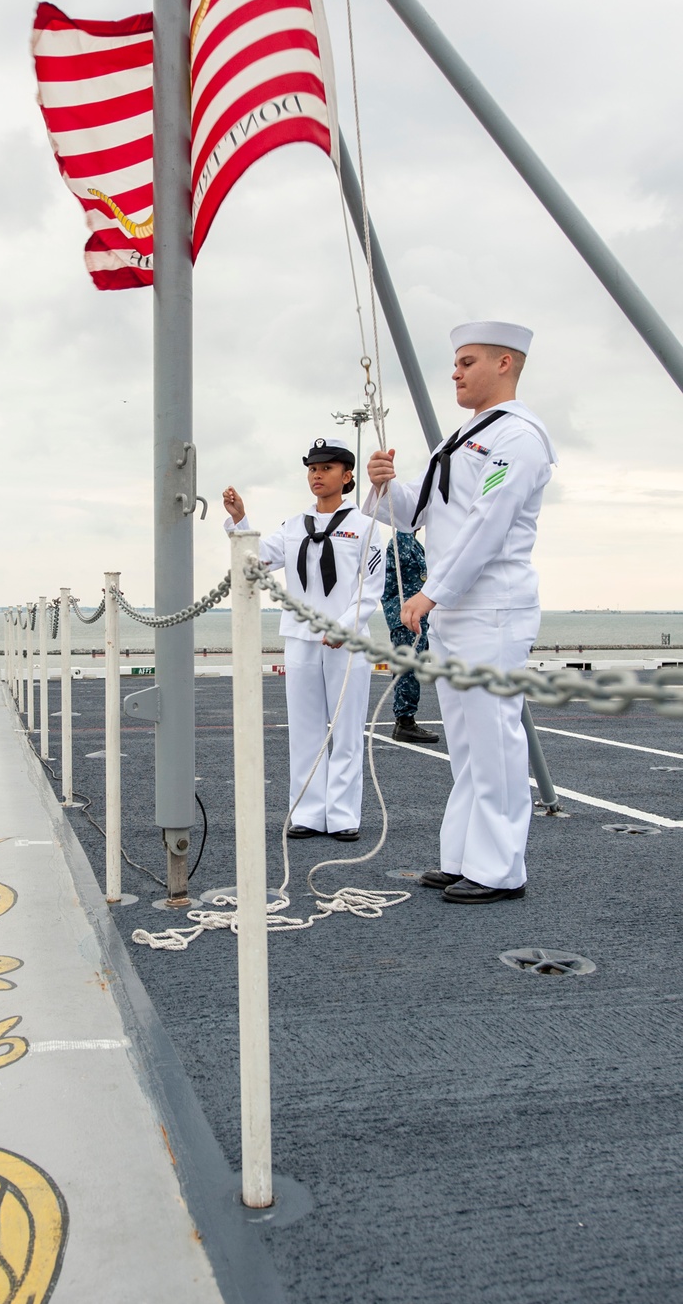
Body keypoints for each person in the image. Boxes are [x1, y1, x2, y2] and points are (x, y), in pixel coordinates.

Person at [365, 322, 556, 904]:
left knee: (495, 739)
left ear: (505, 364)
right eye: (454, 362)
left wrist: (432, 591)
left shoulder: (518, 436)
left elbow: (488, 525)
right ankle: (464, 857)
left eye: (467, 362)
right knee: (469, 744)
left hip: (491, 608)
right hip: (456, 611)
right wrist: (383, 485)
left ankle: (501, 870)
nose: (455, 372)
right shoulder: (466, 435)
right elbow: (415, 511)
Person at [223, 438, 385, 841]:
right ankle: (309, 812)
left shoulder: (365, 528)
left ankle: (344, 815)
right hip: (300, 637)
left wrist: (343, 626)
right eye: (313, 468)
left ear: (347, 476)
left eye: (328, 468)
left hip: (347, 641)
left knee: (346, 730)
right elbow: (256, 557)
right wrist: (240, 522)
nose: (318, 474)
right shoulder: (294, 526)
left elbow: (372, 586)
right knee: (305, 728)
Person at [381, 532, 440, 743]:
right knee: (408, 668)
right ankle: (405, 722)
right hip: (405, 616)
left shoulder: (414, 543)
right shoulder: (401, 541)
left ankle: (406, 720)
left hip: (416, 615)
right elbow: (401, 563)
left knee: (412, 667)